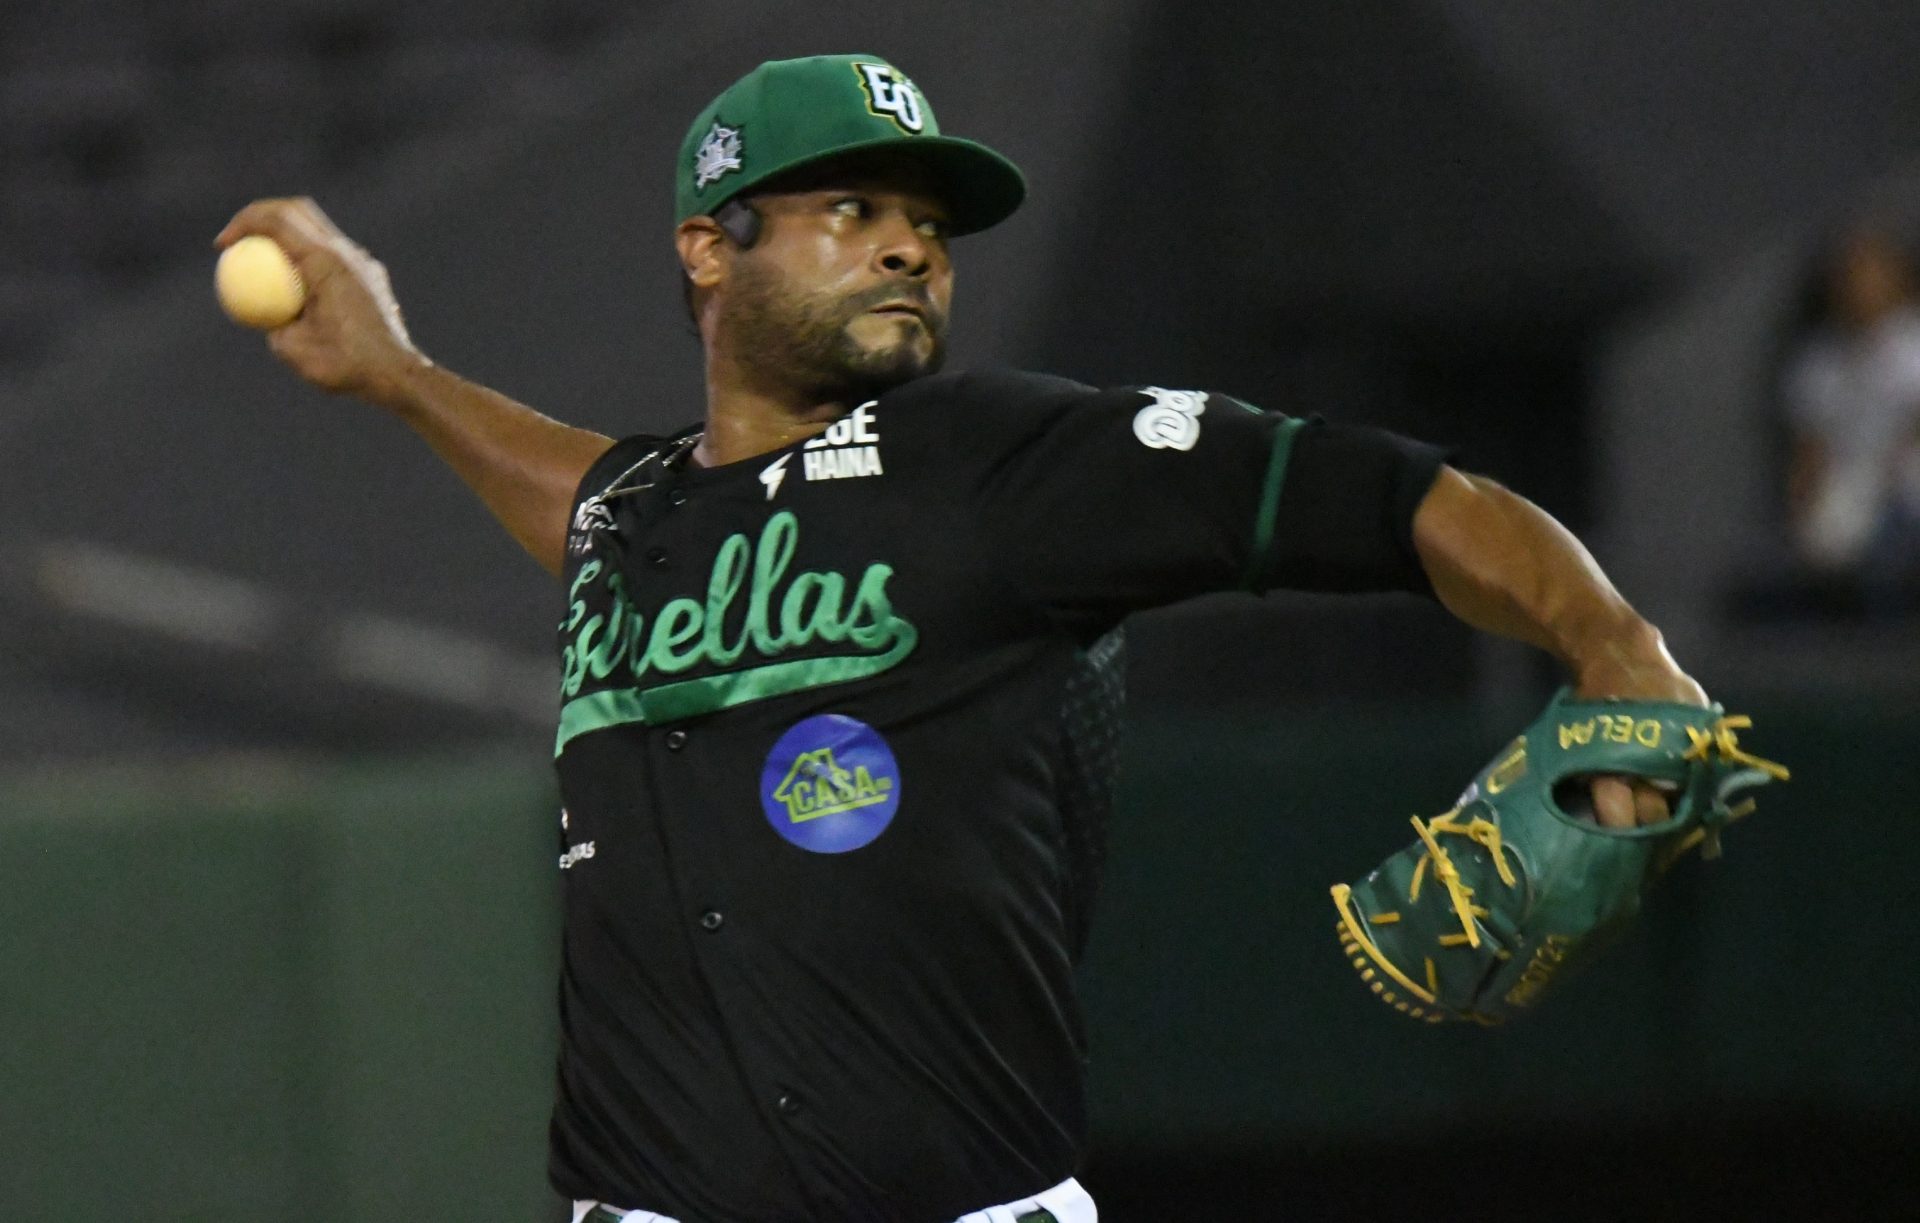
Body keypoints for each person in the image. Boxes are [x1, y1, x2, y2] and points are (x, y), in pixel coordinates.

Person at [216, 53, 1705, 1223]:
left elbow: (1392, 497)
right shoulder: (638, 513)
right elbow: (578, 492)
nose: (909, 249)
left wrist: (1613, 637)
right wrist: (400, 374)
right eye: (852, 210)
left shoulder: (1007, 462)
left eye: (928, 225)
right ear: (709, 248)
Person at [1782, 221, 1920, 604]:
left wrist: (1885, 474)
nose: (1860, 287)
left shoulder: (1914, 344)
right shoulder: (1819, 362)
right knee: (1826, 533)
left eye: (1870, 274)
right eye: (1849, 276)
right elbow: (1810, 452)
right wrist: (1803, 513)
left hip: (1904, 485)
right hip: (1853, 491)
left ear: (1896, 277)